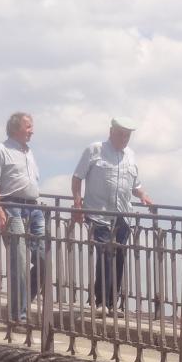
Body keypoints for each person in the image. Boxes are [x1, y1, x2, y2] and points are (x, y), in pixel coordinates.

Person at [72, 118, 154, 313]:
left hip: (122, 215)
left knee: (118, 257)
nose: (124, 138)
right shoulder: (95, 150)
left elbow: (136, 185)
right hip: (99, 212)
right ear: (111, 131)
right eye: (121, 134)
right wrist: (78, 203)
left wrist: (143, 195)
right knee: (106, 254)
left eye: (128, 135)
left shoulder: (130, 155)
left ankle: (111, 303)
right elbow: (77, 177)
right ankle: (100, 301)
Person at [0, 112, 43, 324]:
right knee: (19, 262)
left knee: (44, 260)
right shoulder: (0, 151)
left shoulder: (29, 152)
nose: (32, 131)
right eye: (29, 127)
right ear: (16, 128)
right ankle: (19, 316)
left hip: (34, 208)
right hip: (12, 207)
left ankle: (22, 302)